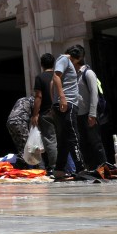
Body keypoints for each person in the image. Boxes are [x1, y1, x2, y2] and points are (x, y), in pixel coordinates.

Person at [51, 45, 85, 178]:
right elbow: (56, 77)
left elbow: (53, 82)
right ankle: (80, 167)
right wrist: (62, 97)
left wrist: (55, 100)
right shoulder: (65, 60)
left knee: (64, 139)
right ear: (78, 57)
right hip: (67, 103)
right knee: (74, 136)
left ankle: (59, 169)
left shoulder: (65, 61)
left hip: (65, 103)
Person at [74, 59, 107, 170]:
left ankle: (103, 168)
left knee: (96, 143)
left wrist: (92, 114)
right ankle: (91, 168)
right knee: (84, 144)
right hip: (80, 114)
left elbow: (94, 94)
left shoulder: (88, 73)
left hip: (89, 114)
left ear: (76, 59)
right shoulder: (75, 75)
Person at [31, 53, 58, 169]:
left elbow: (39, 96)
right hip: (60, 111)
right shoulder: (58, 76)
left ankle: (54, 166)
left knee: (50, 140)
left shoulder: (40, 77)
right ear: (54, 63)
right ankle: (66, 167)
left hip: (46, 113)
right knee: (62, 139)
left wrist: (35, 114)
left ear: (41, 64)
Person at [6, 96, 35, 160]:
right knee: (27, 145)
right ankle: (25, 164)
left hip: (10, 122)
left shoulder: (21, 99)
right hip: (20, 122)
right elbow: (35, 114)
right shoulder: (33, 100)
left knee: (20, 145)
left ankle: (21, 163)